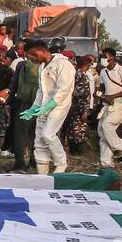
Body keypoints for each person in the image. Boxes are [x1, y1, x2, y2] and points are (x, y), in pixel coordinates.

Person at [20, 38, 75, 174]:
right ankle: (42, 175)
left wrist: (49, 105)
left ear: (43, 50)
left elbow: (64, 89)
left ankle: (61, 163)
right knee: (39, 140)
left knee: (48, 134)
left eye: (33, 54)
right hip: (43, 106)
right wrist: (33, 108)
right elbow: (41, 91)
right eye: (29, 57)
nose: (32, 58)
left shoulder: (63, 64)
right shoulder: (42, 68)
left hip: (58, 105)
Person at [97, 51, 122, 167]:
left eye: (104, 57)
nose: (102, 59)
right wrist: (101, 95)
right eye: (101, 57)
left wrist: (112, 96)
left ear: (112, 57)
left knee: (107, 125)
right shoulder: (103, 72)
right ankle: (107, 164)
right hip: (108, 104)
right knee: (103, 133)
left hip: (121, 103)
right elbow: (102, 89)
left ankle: (120, 147)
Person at [65, 54, 94, 155]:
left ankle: (75, 149)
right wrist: (84, 112)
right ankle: (75, 150)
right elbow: (82, 95)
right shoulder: (81, 75)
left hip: (75, 107)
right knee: (77, 130)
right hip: (78, 108)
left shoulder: (78, 74)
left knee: (74, 129)